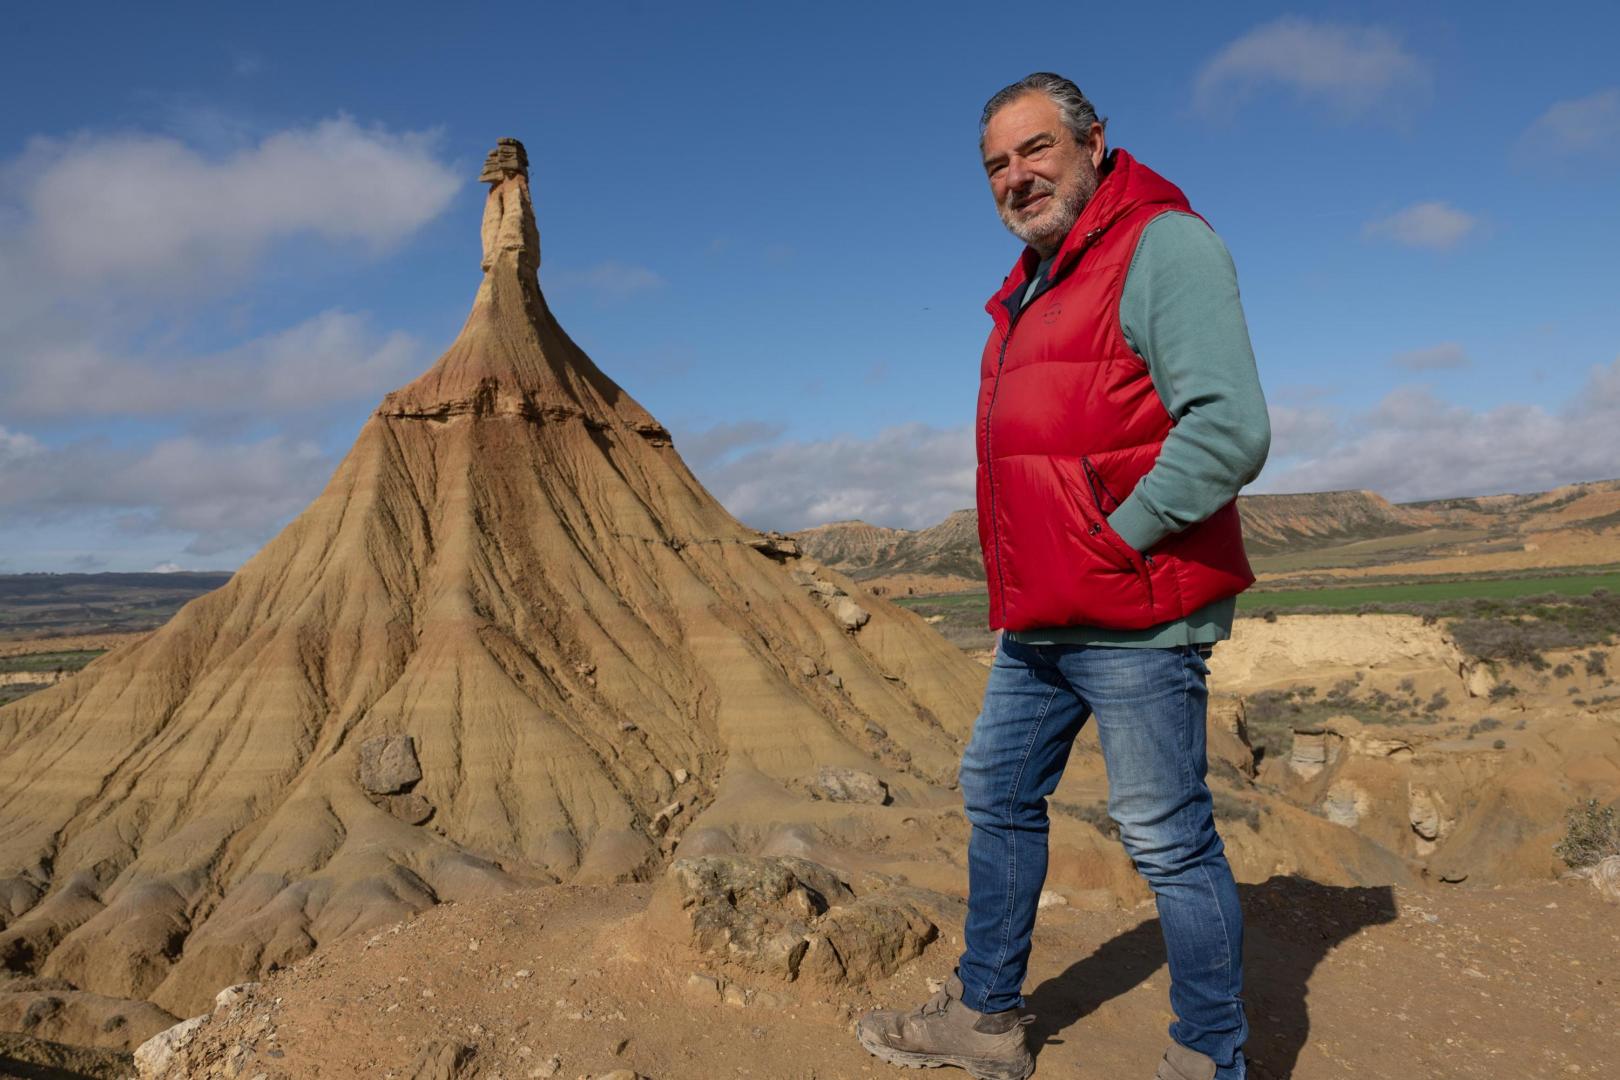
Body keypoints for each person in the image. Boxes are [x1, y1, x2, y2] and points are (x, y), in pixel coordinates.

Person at [856, 73, 1270, 1080]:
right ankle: (987, 1019)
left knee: (1165, 838)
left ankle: (1209, 1059)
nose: (1017, 176)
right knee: (996, 791)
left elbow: (1230, 427)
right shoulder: (1036, 281)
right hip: (1045, 615)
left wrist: (1117, 538)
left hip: (1134, 612)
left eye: (1035, 148)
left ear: (1093, 142)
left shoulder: (1161, 244)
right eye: (997, 164)